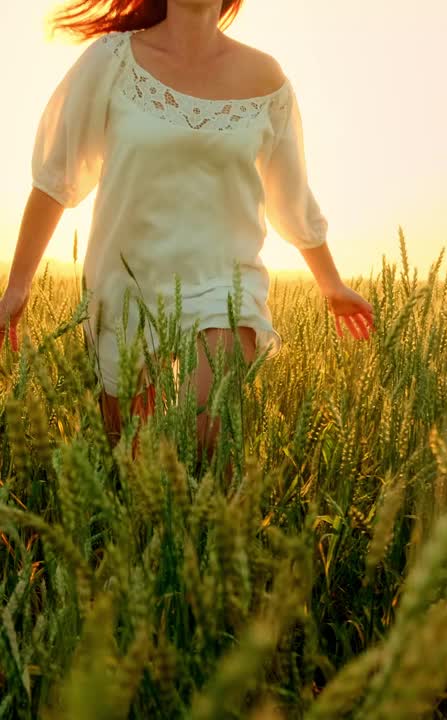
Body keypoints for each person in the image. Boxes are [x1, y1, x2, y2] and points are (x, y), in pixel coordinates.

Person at [0, 0, 375, 455]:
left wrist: (331, 284)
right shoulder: (111, 60)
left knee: (206, 443)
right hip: (126, 286)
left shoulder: (266, 78)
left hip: (224, 285)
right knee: (135, 471)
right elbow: (55, 177)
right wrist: (18, 285)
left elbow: (292, 198)